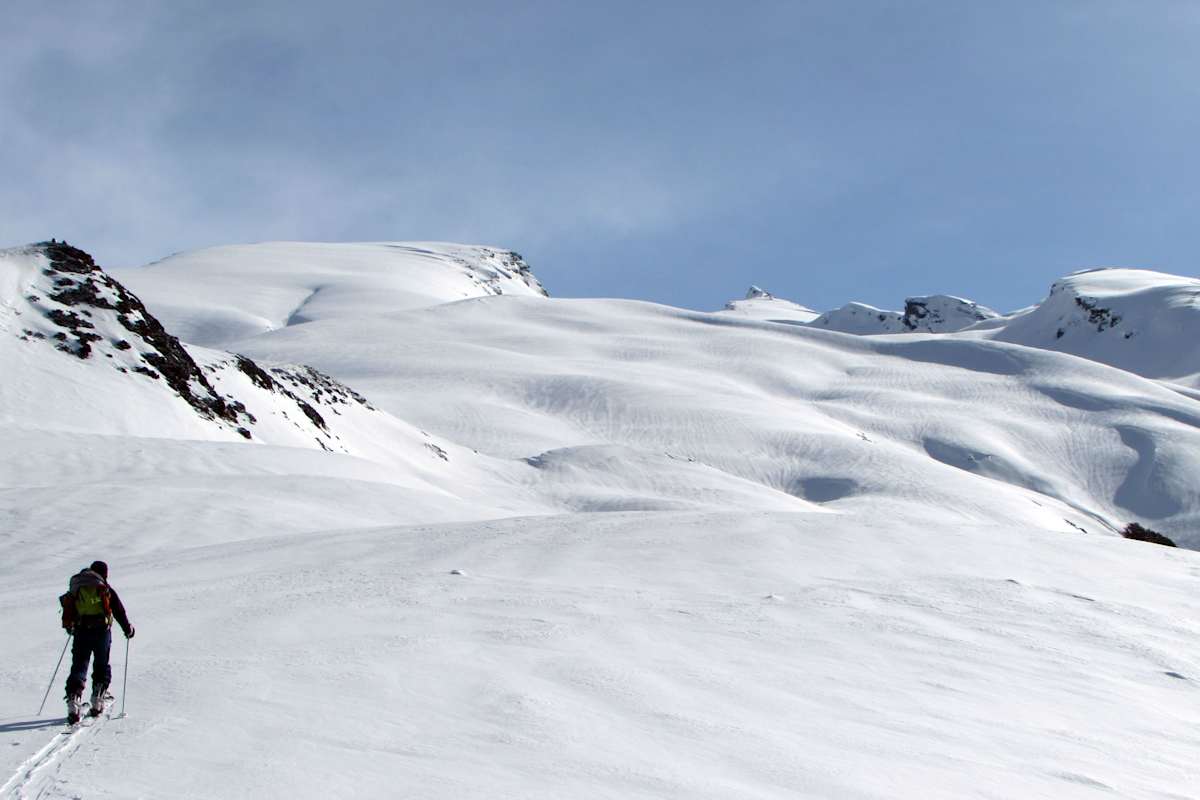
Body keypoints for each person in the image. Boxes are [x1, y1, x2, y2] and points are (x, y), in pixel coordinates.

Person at [60, 560, 134, 723]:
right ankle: (98, 699)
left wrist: (70, 627)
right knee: (101, 664)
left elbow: (69, 608)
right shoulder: (104, 588)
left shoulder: (77, 586)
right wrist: (128, 629)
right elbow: (119, 610)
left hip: (81, 631)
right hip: (101, 631)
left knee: (79, 665)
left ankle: (74, 700)